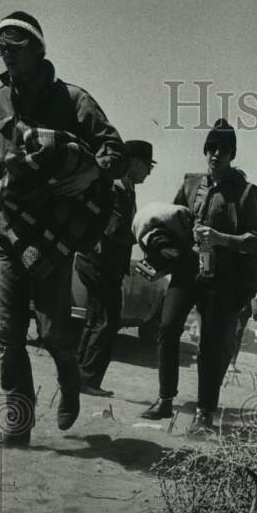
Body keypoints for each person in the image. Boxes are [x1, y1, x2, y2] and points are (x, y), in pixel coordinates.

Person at [0, 11, 127, 446]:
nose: (7, 56)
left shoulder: (73, 99)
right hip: (7, 228)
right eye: (0, 48)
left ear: (39, 50)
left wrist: (92, 175)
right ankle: (19, 418)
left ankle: (70, 379)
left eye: (15, 47)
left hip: (52, 233)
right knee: (8, 334)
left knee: (53, 332)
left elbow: (113, 149)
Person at [142, 119, 257, 434]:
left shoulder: (246, 192)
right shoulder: (190, 184)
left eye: (222, 151)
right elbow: (172, 220)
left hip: (222, 278)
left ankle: (204, 411)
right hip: (186, 270)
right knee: (168, 327)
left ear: (231, 154)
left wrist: (221, 239)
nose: (215, 155)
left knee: (211, 344)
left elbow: (255, 240)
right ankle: (165, 399)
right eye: (211, 148)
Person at [76, 140, 156, 396]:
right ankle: (86, 379)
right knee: (106, 321)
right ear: (132, 162)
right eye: (147, 165)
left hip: (99, 263)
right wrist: (144, 235)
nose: (149, 172)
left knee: (96, 319)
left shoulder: (125, 187)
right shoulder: (118, 188)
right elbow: (113, 229)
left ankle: (77, 376)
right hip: (100, 263)